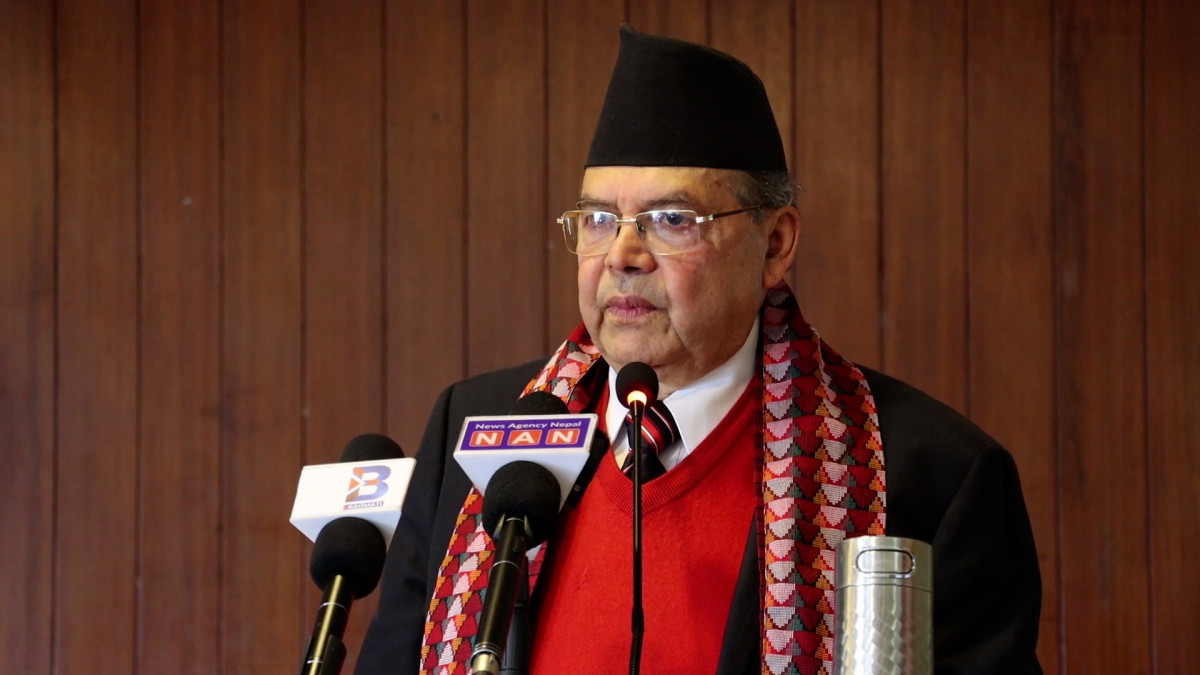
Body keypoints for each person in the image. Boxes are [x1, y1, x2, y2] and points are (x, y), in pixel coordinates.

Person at [357, 25, 1042, 675]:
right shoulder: (477, 425)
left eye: (671, 220)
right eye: (598, 219)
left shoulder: (931, 474)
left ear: (775, 245)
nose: (622, 255)